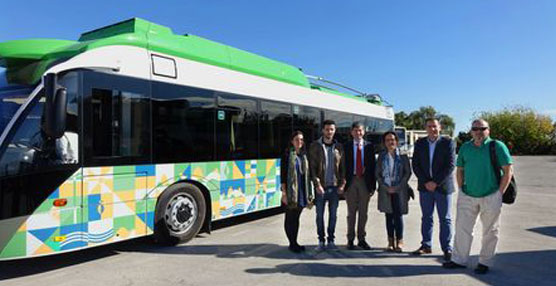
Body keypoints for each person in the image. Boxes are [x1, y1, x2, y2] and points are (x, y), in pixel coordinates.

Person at [443, 119, 513, 274]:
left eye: (482, 128)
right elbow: (459, 170)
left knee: (490, 231)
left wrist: (499, 193)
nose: (479, 132)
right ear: (471, 131)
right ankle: (459, 260)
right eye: (475, 129)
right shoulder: (465, 148)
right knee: (462, 229)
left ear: (488, 130)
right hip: (468, 195)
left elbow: (508, 171)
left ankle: (485, 262)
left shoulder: (497, 146)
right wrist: (461, 189)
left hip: (491, 195)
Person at [411, 118, 455, 261]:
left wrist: (435, 182)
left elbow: (450, 165)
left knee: (445, 219)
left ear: (440, 127)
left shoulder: (447, 143)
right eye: (429, 126)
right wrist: (426, 182)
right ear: (426, 128)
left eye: (435, 126)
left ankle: (447, 248)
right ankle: (426, 245)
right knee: (427, 217)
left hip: (442, 187)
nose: (432, 129)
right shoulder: (420, 143)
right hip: (425, 188)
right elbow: (416, 165)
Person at [309, 120, 346, 251]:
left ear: (334, 131)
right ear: (323, 130)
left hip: (335, 188)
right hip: (321, 188)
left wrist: (342, 184)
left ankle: (331, 240)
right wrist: (317, 184)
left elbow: (343, 168)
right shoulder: (315, 146)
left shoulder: (339, 147)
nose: (329, 132)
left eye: (332, 129)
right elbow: (312, 168)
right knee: (319, 216)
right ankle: (321, 240)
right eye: (327, 129)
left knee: (333, 215)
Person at [376, 131, 412, 252]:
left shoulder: (403, 155)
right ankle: (390, 241)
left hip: (399, 190)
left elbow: (407, 173)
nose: (390, 142)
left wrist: (398, 186)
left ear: (396, 141)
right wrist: (386, 187)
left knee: (398, 215)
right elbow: (378, 174)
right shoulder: (381, 156)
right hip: (386, 189)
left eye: (392, 139)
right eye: (387, 140)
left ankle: (400, 241)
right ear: (384, 142)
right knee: (388, 215)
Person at [344, 122, 376, 250]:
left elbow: (373, 166)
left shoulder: (369, 146)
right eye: (356, 130)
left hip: (364, 182)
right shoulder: (345, 146)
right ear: (352, 132)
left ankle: (361, 239)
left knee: (363, 213)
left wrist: (372, 186)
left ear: (364, 132)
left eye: (361, 130)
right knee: (351, 213)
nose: (358, 133)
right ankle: (350, 239)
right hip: (351, 182)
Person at [281, 131, 314, 253]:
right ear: (292, 141)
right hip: (291, 192)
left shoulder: (304, 155)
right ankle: (292, 243)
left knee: (296, 218)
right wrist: (284, 193)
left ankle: (295, 241)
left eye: (301, 139)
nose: (299, 142)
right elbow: (283, 176)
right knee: (289, 218)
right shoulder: (287, 155)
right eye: (296, 139)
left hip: (302, 191)